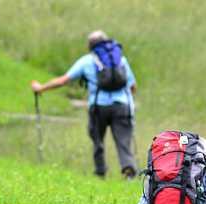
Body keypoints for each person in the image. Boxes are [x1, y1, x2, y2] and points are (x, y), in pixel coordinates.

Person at [31, 30, 138, 179]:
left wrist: (41, 88)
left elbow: (63, 80)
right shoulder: (120, 60)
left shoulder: (87, 60)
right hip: (122, 105)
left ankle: (100, 173)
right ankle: (129, 172)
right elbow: (133, 87)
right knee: (123, 141)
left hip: (98, 106)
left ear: (90, 45)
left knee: (97, 140)